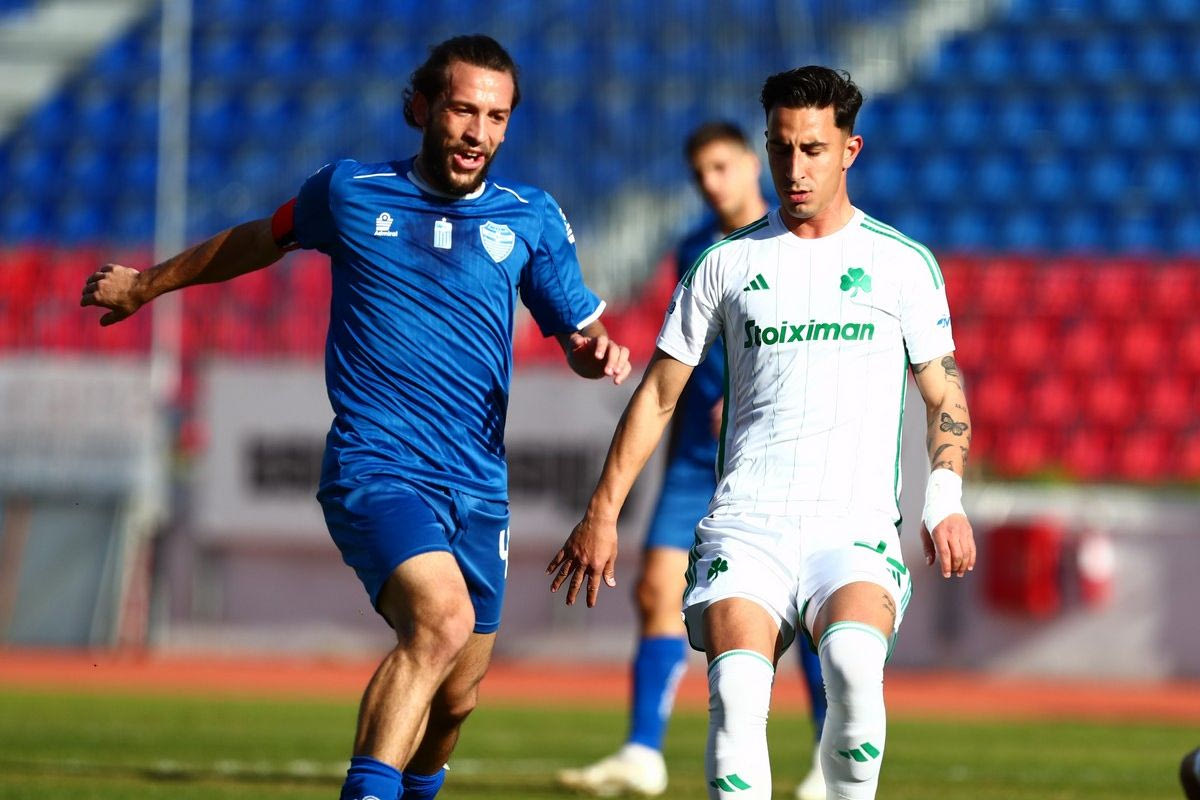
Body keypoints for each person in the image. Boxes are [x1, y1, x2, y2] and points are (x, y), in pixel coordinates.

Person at [81, 35, 632, 800]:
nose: (478, 132)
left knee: (458, 698)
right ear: (421, 108)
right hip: (378, 467)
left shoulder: (530, 216)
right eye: (462, 110)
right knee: (439, 622)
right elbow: (256, 239)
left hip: (478, 487)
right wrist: (146, 286)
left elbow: (578, 333)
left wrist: (595, 351)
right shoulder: (349, 192)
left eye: (496, 117)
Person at [548, 66, 975, 800]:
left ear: (850, 149)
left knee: (851, 670)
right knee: (739, 692)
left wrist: (945, 497)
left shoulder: (902, 265)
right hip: (747, 525)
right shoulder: (724, 262)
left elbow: (944, 392)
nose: (794, 167)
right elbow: (658, 393)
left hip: (855, 526)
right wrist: (603, 511)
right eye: (781, 148)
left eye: (813, 149)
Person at [556, 121, 828, 800]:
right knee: (656, 587)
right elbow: (685, 348)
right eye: (700, 173)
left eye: (721, 167)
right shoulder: (693, 249)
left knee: (809, 605)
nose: (711, 183)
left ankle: (829, 760)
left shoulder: (802, 240)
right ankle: (643, 752)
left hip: (775, 453)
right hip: (695, 457)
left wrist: (757, 393)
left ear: (752, 164)